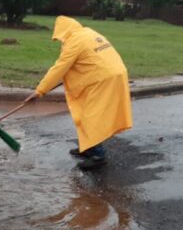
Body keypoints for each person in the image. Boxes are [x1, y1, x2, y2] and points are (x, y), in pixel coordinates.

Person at [25, 16, 133, 170]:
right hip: (111, 74)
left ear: (64, 32)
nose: (61, 41)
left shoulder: (74, 41)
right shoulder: (87, 32)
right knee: (85, 114)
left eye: (61, 37)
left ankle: (98, 155)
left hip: (103, 79)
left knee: (91, 116)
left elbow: (59, 67)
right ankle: (87, 147)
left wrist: (40, 91)